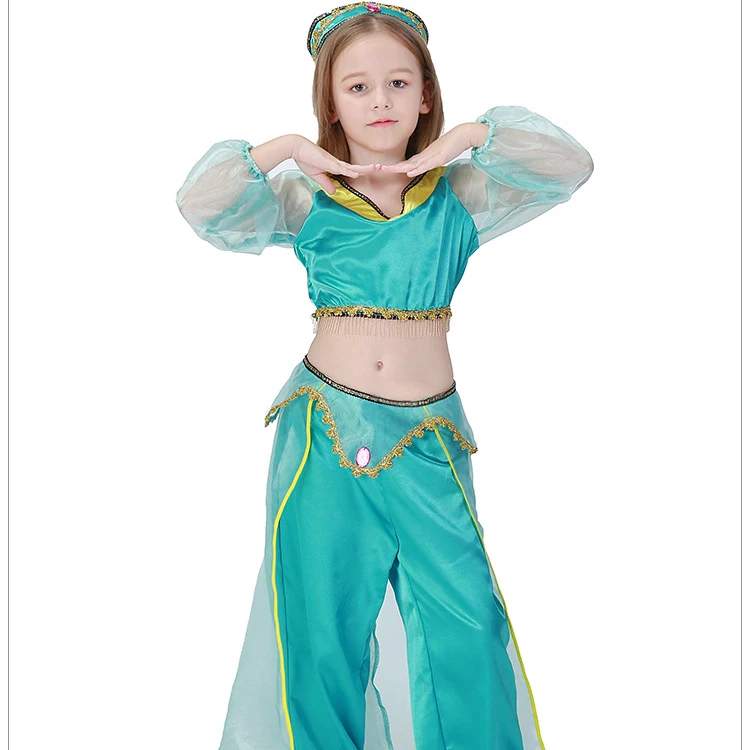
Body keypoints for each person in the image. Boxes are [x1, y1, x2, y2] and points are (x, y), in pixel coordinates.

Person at [175, 4, 594, 749]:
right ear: (332, 103)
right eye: (357, 87)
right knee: (320, 631)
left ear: (426, 95)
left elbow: (569, 165)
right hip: (325, 437)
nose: (380, 102)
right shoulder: (307, 198)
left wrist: (467, 137)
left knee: (467, 623)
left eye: (399, 83)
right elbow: (201, 205)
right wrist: (290, 149)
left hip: (429, 439)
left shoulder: (460, 193)